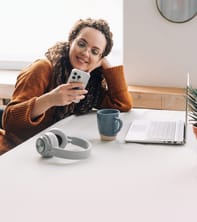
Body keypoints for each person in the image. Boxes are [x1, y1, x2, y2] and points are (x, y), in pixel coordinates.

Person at [1, 18, 132, 149]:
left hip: (52, 149)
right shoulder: (42, 68)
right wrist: (50, 99)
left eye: (95, 51)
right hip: (15, 148)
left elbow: (122, 104)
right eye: (81, 44)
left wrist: (106, 65)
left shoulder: (90, 84)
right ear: (71, 41)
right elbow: (10, 122)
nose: (85, 53)